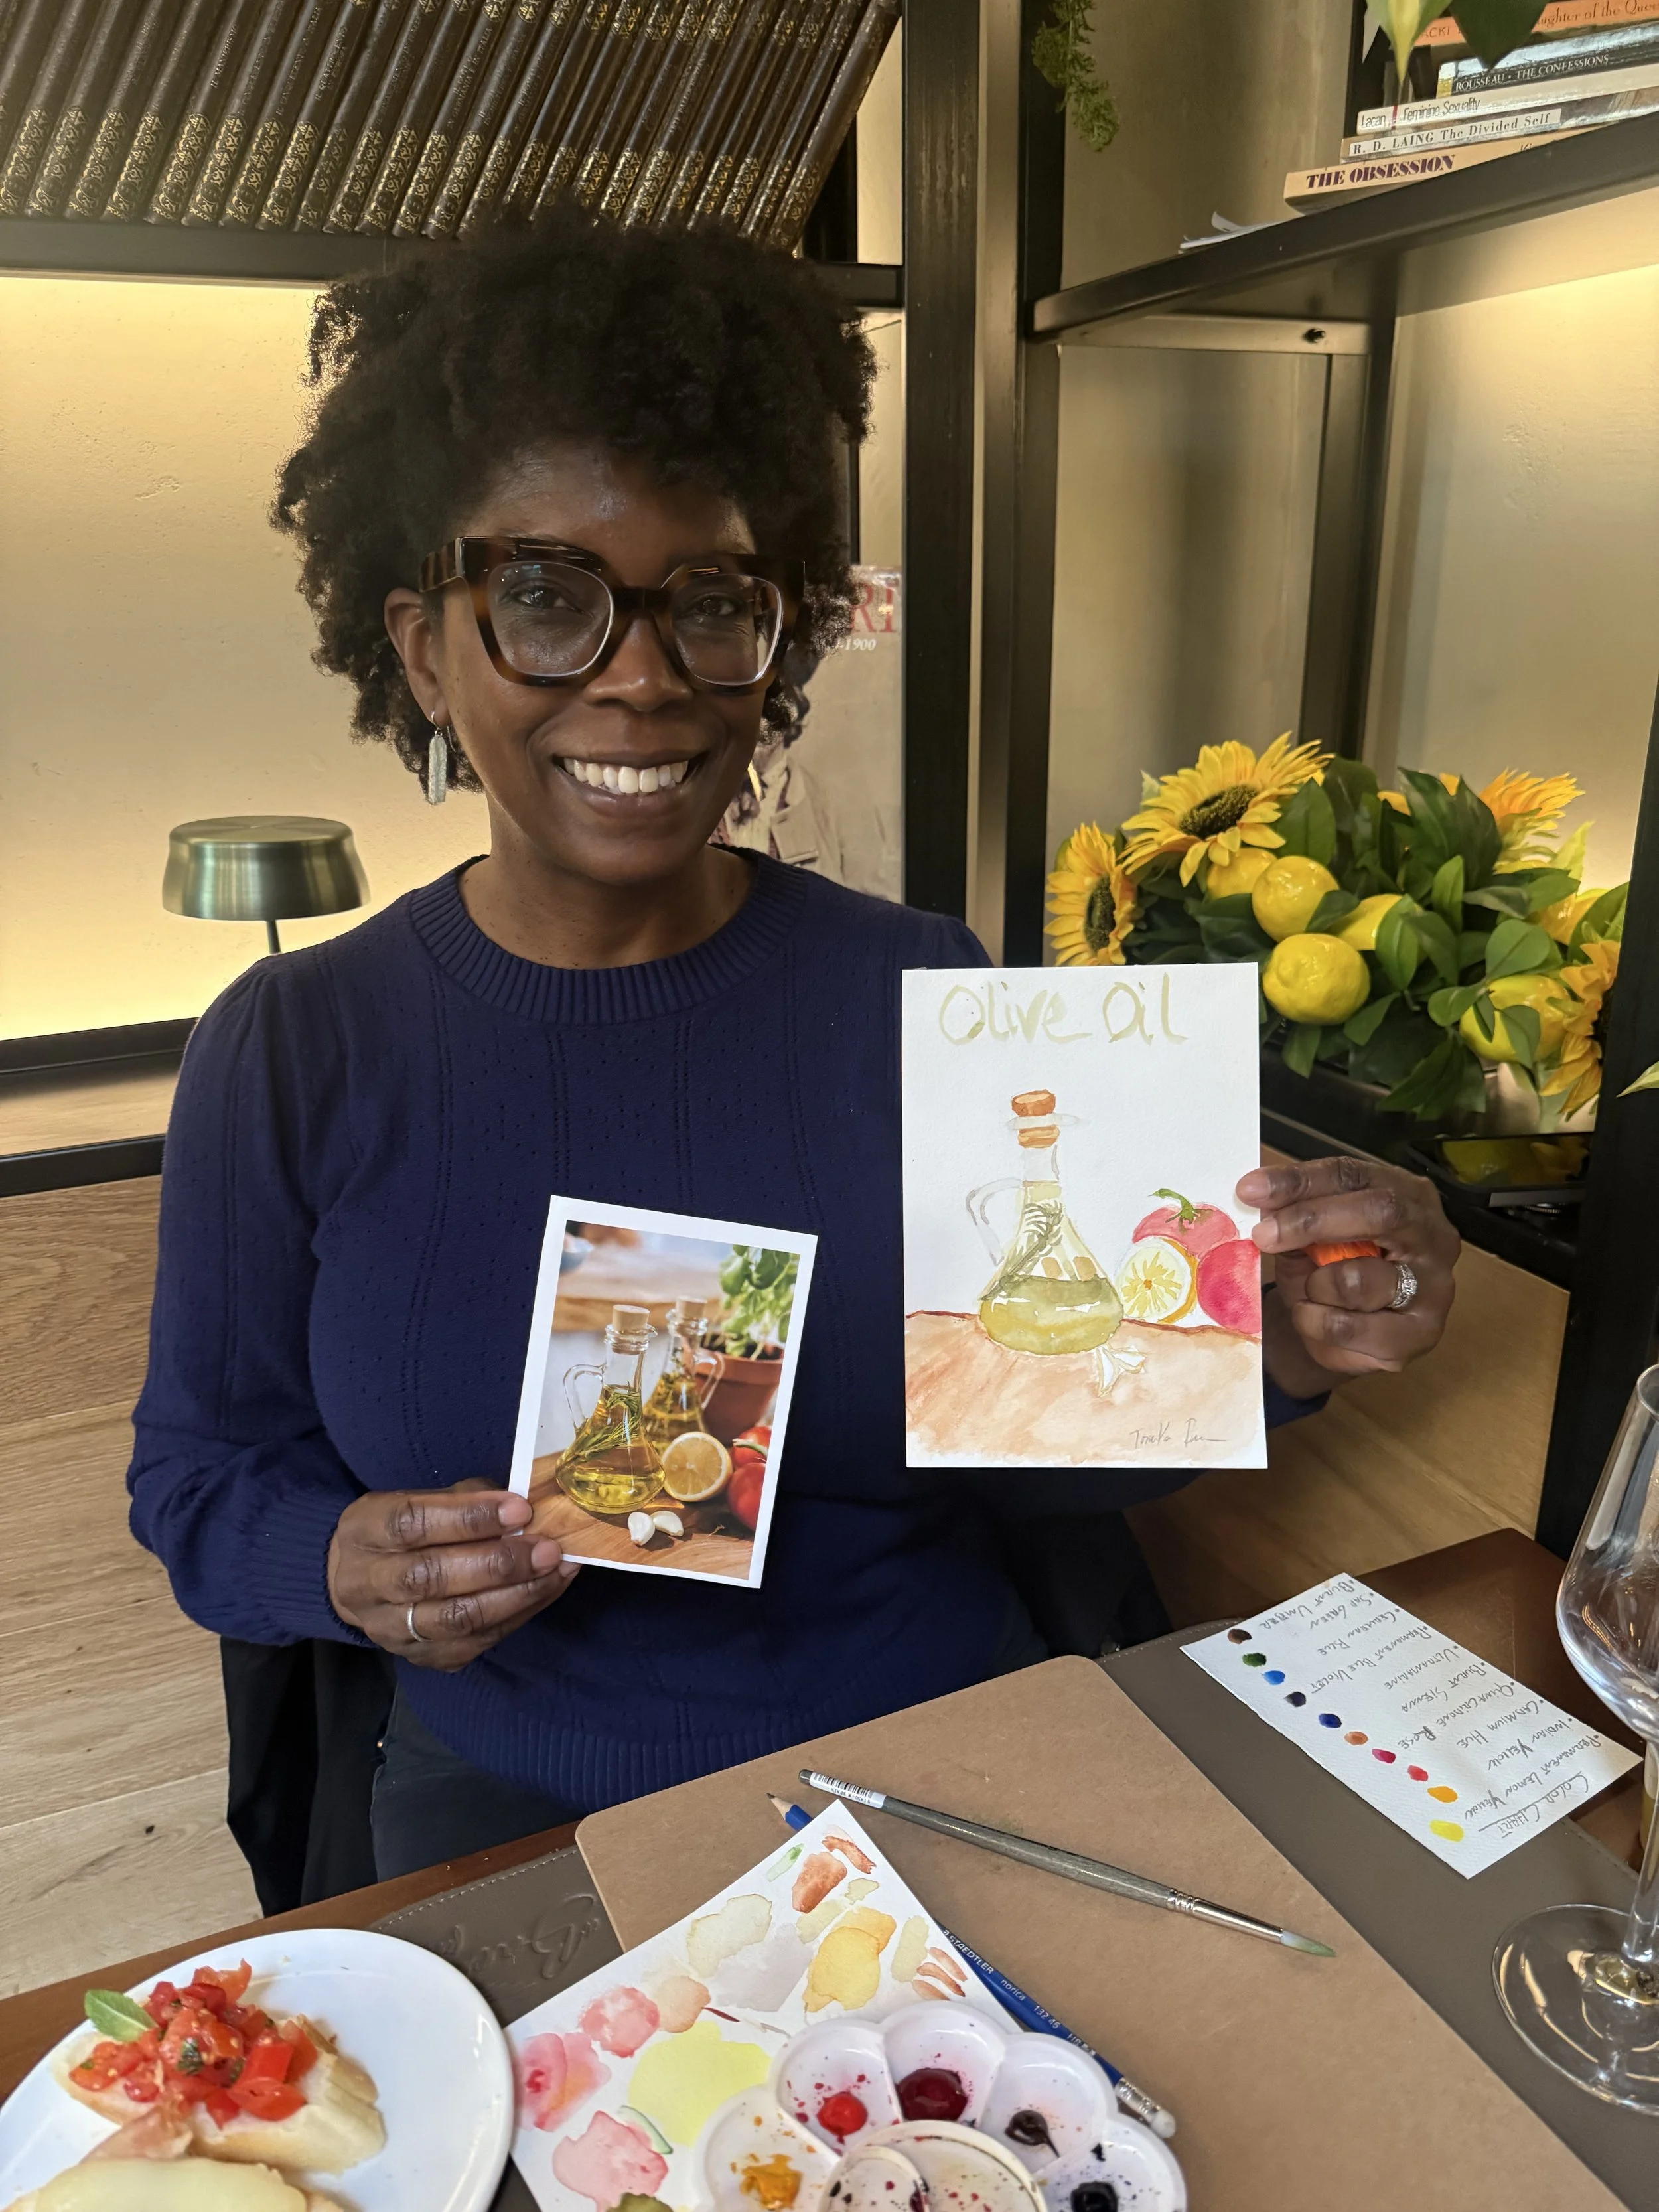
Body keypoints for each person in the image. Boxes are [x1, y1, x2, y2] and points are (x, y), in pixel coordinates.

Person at [128, 212, 1461, 1886]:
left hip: (948, 1760)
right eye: (546, 600)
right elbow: (196, 1474)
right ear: (421, 643)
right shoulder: (294, 1047)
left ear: (782, 641)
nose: (638, 679)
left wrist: (1280, 1346)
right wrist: (331, 1562)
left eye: (709, 605)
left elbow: (1048, 1470)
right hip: (512, 1812)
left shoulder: (924, 996)